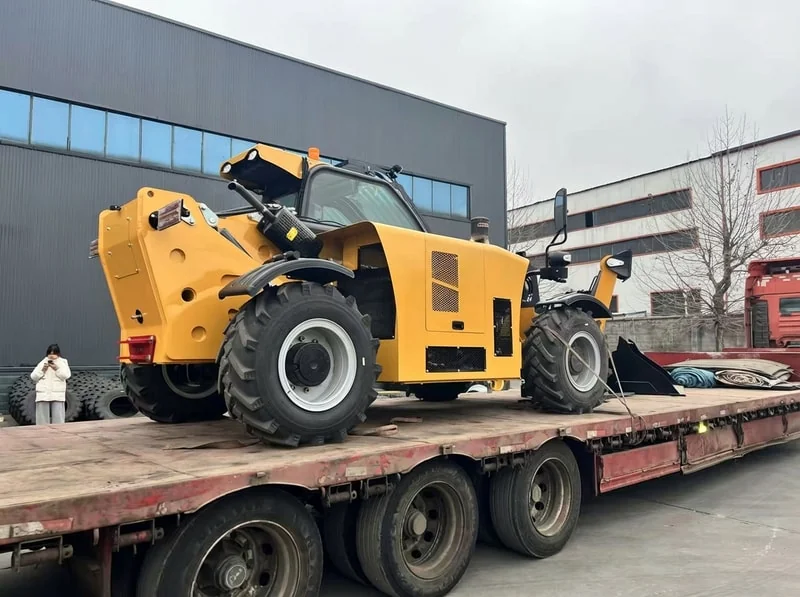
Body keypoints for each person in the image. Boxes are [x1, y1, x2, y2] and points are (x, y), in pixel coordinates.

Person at [30, 344, 71, 425]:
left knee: (58, 418)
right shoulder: (43, 362)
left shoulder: (63, 362)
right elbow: (33, 377)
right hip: (43, 392)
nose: (52, 356)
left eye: (54, 353)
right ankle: (43, 431)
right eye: (50, 353)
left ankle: (58, 432)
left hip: (57, 393)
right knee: (42, 419)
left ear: (58, 353)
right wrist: (43, 370)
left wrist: (57, 369)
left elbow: (66, 376)